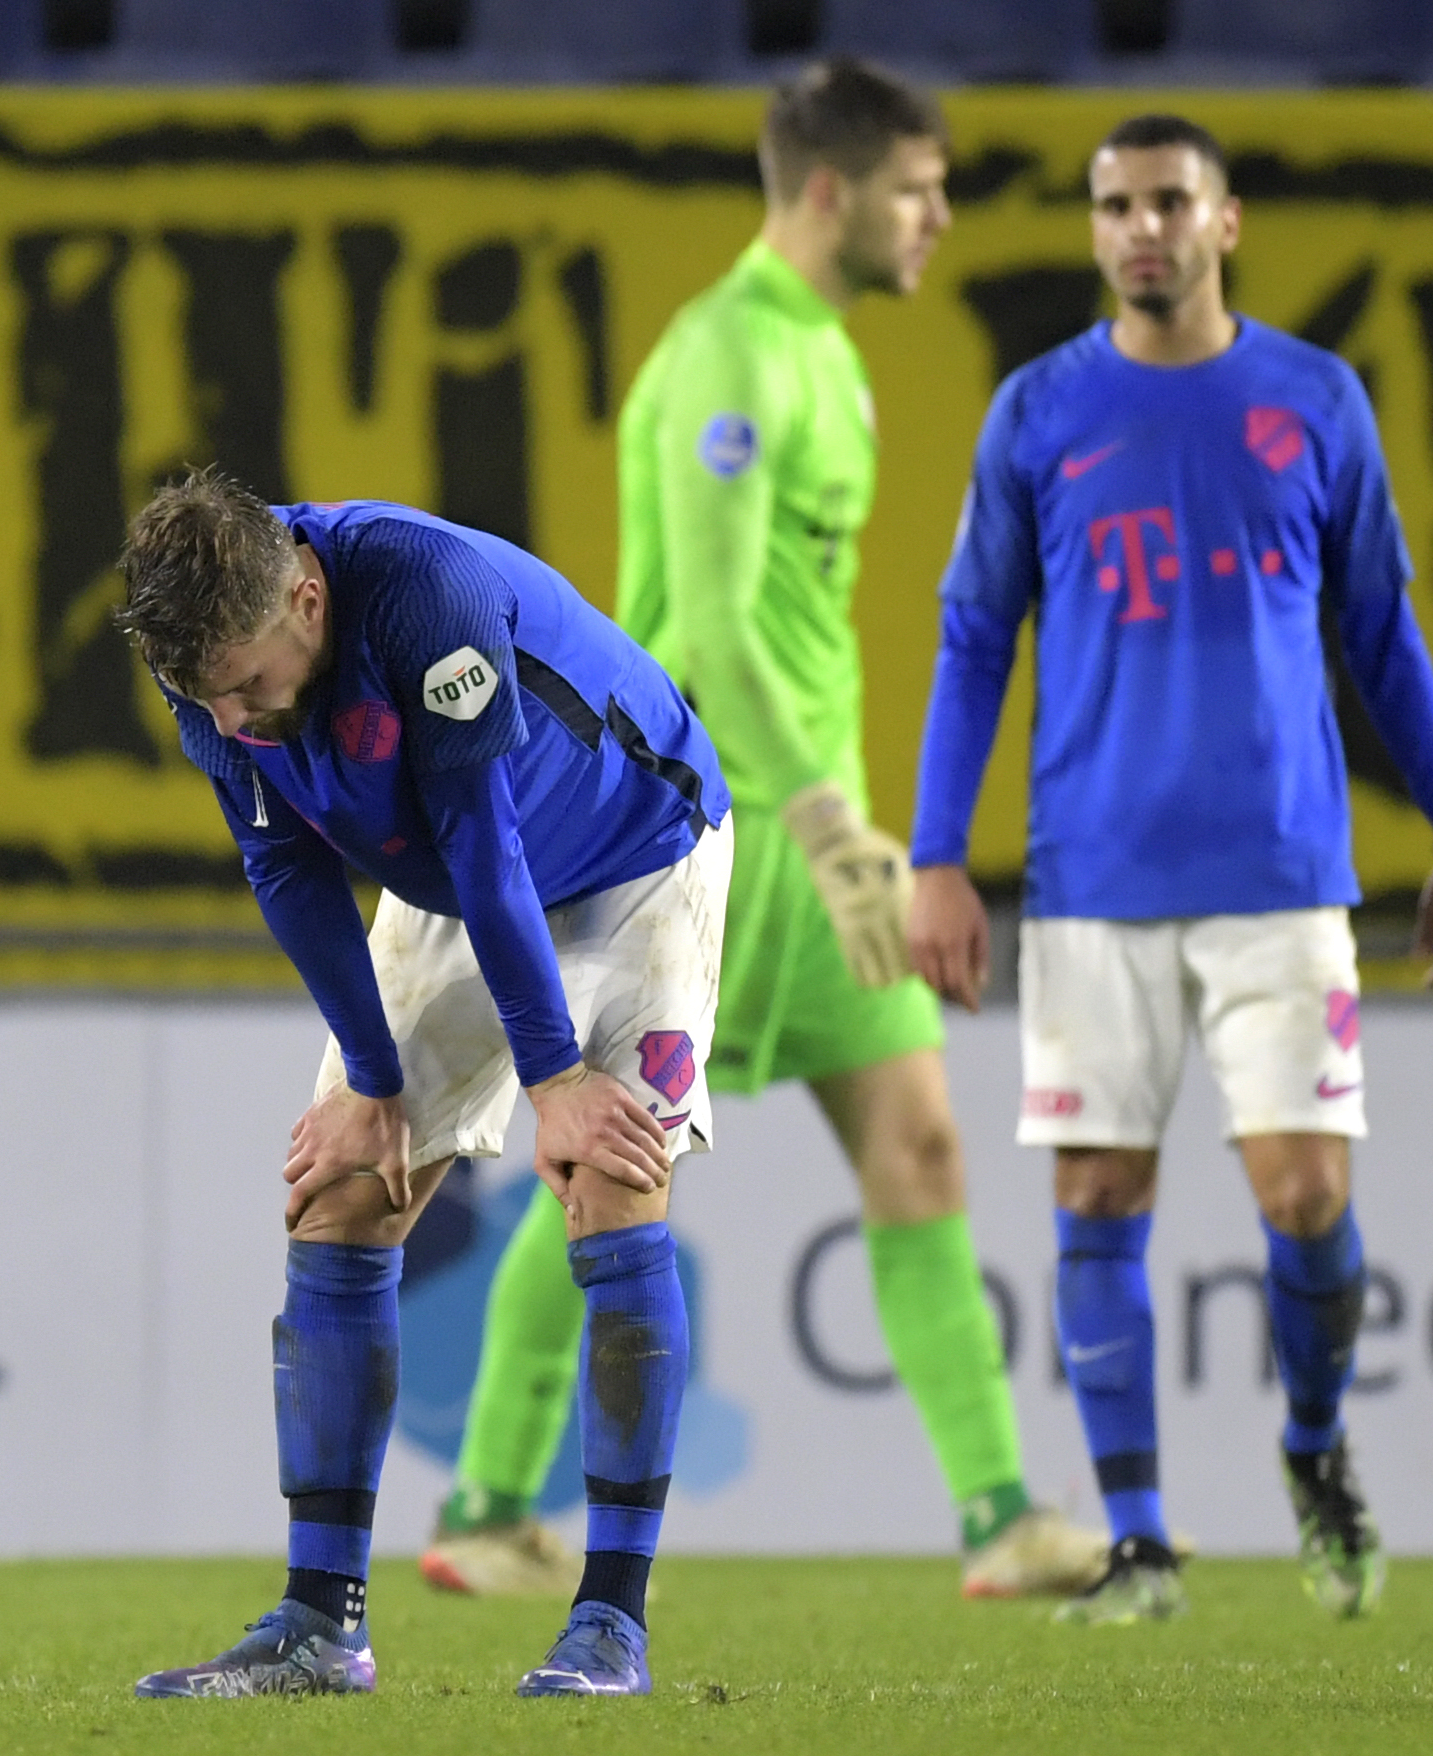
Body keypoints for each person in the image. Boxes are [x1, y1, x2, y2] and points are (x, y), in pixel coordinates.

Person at [423, 57, 1104, 1605]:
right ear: (829, 190)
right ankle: (482, 1503)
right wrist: (828, 821)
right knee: (614, 1156)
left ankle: (1000, 1516)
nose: (937, 218)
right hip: (703, 840)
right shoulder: (730, 354)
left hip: (810, 841)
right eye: (916, 191)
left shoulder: (823, 354)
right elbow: (719, 634)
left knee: (917, 1143)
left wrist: (837, 827)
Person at [904, 113, 1433, 1626]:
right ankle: (1141, 1543)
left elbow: (1381, 634)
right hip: (1090, 879)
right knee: (1099, 1194)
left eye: (1169, 202)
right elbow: (972, 641)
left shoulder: (1314, 399)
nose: (1140, 230)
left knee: (1304, 1194)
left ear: (1224, 221)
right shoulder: (1038, 411)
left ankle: (1313, 1444)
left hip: (1282, 873)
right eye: (1114, 207)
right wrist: (935, 857)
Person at [113, 473, 725, 1699]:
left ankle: (611, 1622)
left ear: (305, 596)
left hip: (632, 853)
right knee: (342, 1187)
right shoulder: (207, 667)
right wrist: (372, 1079)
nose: (231, 720)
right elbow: (286, 870)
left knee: (609, 1176)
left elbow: (491, 845)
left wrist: (557, 1079)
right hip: (455, 874)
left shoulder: (422, 593)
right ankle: (319, 1623)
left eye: (248, 684)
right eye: (206, 696)